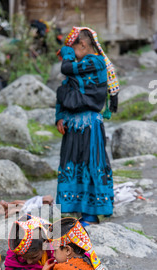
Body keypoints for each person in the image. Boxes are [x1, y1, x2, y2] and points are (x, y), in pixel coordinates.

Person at [55, 27, 120, 227]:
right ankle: (75, 213)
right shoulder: (80, 64)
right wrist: (60, 116)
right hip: (73, 125)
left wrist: (66, 57)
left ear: (82, 44)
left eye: (71, 48)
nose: (70, 54)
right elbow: (64, 91)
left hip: (89, 125)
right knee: (71, 166)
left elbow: (67, 69)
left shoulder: (96, 62)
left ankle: (91, 215)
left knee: (90, 165)